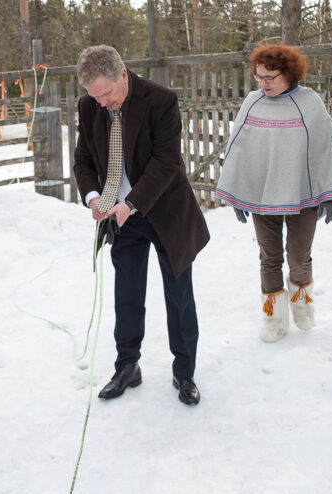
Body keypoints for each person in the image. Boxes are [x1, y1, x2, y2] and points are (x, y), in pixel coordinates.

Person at [73, 45, 210, 406]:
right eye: (94, 96)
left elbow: (166, 163)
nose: (101, 103)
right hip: (120, 217)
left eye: (106, 94)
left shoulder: (160, 100)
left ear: (123, 74)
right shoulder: (89, 106)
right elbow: (83, 158)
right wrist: (92, 198)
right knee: (127, 295)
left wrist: (131, 204)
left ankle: (184, 373)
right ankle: (127, 365)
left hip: (165, 212)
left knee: (179, 296)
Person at [215, 44, 332, 343]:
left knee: (299, 257)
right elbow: (238, 149)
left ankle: (302, 305)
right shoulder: (252, 102)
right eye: (258, 76)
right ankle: (274, 319)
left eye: (269, 77)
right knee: (269, 257)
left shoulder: (310, 102)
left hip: (302, 193)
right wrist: (238, 191)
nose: (262, 83)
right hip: (262, 196)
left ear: (289, 74)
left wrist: (329, 193)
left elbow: (323, 149)